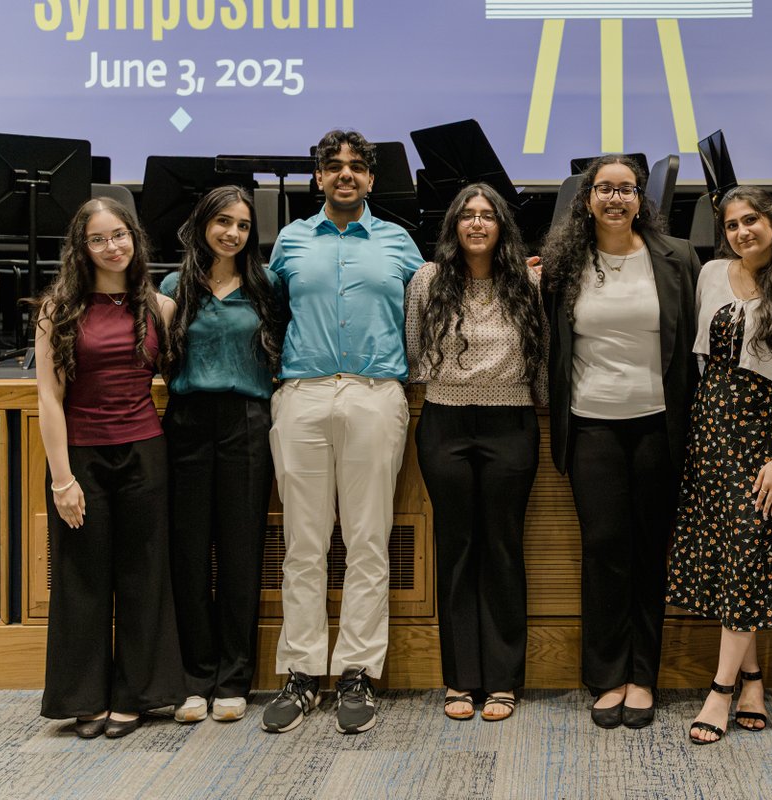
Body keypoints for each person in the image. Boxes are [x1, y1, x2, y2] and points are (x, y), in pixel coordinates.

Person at [263, 130, 424, 734]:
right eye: (334, 168)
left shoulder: (398, 241)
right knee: (304, 545)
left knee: (366, 542)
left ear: (372, 180)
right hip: (301, 396)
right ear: (319, 178)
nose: (346, 175)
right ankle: (302, 674)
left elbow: (443, 292)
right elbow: (263, 304)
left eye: (357, 167)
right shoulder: (290, 240)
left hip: (375, 395)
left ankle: (356, 671)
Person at [666, 187, 772, 744]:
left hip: (767, 441)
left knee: (746, 556)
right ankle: (754, 678)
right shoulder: (712, 273)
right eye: (733, 224)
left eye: (752, 221)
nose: (742, 232)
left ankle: (720, 690)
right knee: (739, 561)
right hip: (713, 430)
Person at [541, 154, 701, 729]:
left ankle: (643, 674)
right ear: (587, 199)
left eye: (625, 189)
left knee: (647, 550)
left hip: (659, 423)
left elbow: (694, 346)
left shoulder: (677, 256)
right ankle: (607, 675)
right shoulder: (564, 264)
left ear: (641, 199)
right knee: (605, 547)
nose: (615, 198)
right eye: (603, 189)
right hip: (592, 424)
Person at [35, 198, 184, 738]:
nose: (111, 246)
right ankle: (84, 698)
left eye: (119, 235)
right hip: (81, 460)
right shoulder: (58, 308)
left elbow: (172, 377)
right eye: (98, 239)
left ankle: (136, 695)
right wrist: (61, 479)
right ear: (82, 247)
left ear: (134, 238)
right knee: (82, 579)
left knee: (144, 576)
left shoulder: (157, 308)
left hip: (144, 451)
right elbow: (49, 399)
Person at [405, 183, 547, 723]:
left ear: (502, 226)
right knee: (457, 549)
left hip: (511, 423)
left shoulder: (528, 282)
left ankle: (505, 680)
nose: (477, 223)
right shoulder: (427, 281)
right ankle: (461, 680)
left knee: (504, 549)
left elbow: (545, 353)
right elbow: (416, 352)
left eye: (488, 216)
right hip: (444, 423)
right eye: (467, 215)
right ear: (453, 226)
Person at [162, 186, 284, 724]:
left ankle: (233, 680)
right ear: (203, 224)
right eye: (222, 222)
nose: (232, 233)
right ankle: (195, 679)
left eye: (241, 225)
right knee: (188, 555)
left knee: (239, 553)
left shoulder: (266, 285)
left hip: (247, 423)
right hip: (187, 422)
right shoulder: (172, 287)